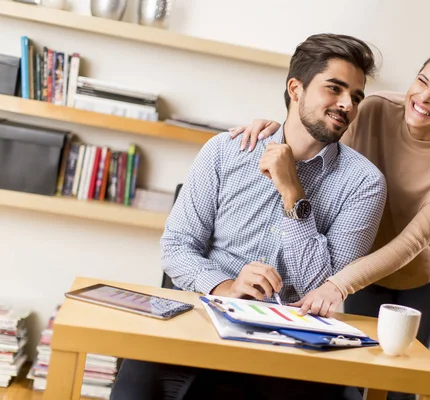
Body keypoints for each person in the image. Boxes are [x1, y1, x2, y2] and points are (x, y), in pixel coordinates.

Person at [110, 33, 387, 400]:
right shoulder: (226, 151)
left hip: (292, 345)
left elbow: (320, 288)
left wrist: (293, 192)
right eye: (334, 89)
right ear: (296, 88)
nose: (346, 105)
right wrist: (226, 287)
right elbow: (177, 246)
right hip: (203, 324)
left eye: (355, 96)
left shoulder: (364, 184)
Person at [230, 48, 430, 400]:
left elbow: (410, 244)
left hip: (423, 272)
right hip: (359, 257)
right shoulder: (374, 109)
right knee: (353, 370)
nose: (424, 97)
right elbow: (319, 135)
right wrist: (276, 130)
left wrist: (337, 286)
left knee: (402, 381)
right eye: (422, 81)